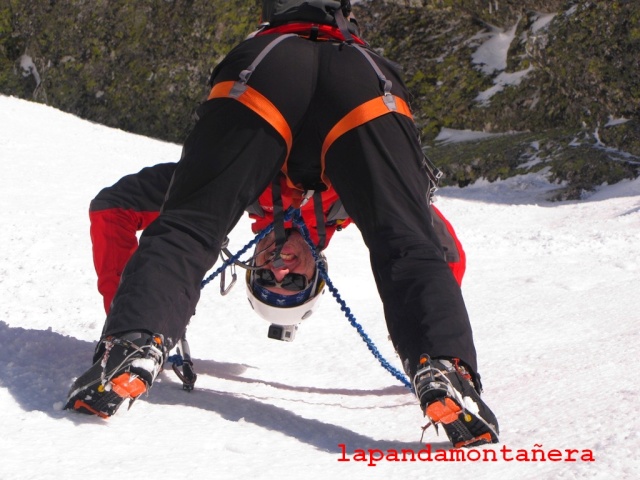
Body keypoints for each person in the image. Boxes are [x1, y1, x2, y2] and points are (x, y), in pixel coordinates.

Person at [66, 0, 499, 448]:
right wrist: (436, 345)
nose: (280, 269)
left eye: (267, 281)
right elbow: (437, 253)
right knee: (407, 242)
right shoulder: (346, 208)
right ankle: (446, 371)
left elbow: (112, 207)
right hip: (357, 78)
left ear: (249, 265)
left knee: (190, 224)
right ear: (318, 272)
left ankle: (133, 346)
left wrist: (129, 315)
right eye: (293, 283)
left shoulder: (244, 195)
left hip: (269, 65)